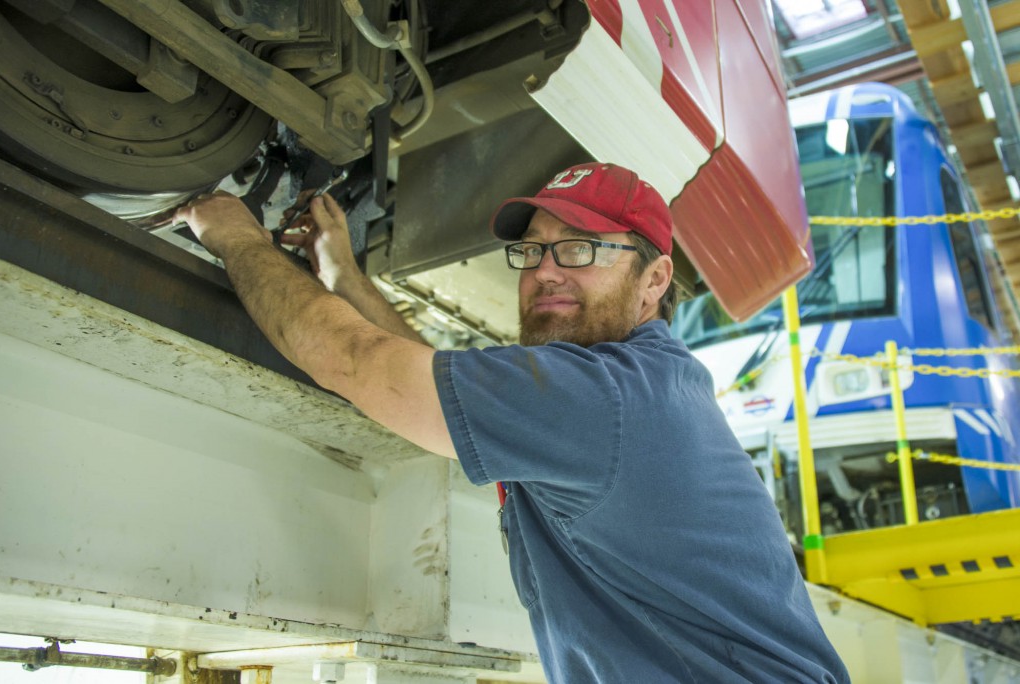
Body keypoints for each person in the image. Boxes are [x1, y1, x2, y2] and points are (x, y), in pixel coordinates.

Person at [175, 162, 850, 683]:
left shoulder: (601, 401)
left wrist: (235, 236)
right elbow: (429, 379)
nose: (546, 271)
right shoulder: (638, 386)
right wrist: (342, 275)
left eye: (581, 248)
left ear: (654, 281)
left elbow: (357, 361)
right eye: (533, 251)